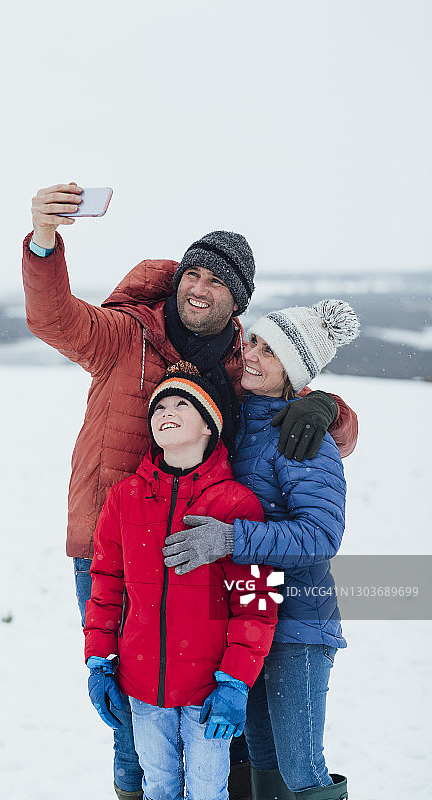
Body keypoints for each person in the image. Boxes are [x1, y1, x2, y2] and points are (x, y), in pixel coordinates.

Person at [22, 181, 358, 800]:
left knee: (221, 714)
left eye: (218, 282)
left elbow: (286, 393)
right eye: (193, 274)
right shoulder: (124, 334)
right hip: (117, 545)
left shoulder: (238, 358)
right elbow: (53, 317)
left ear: (238, 302)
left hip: (208, 548)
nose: (200, 289)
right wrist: (44, 241)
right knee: (135, 722)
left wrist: (329, 409)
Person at [162, 300, 360, 800]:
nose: (250, 354)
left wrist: (231, 539)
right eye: (253, 341)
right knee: (261, 753)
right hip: (247, 612)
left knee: (300, 763)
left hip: (297, 620)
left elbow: (321, 535)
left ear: (293, 369)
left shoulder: (305, 438)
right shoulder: (239, 422)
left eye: (270, 351)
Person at [83, 362, 280, 800]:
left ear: (210, 425)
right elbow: (106, 586)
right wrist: (99, 661)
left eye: (181, 404)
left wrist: (235, 680)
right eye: (159, 407)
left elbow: (256, 601)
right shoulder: (125, 498)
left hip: (209, 688)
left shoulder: (236, 504)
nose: (166, 412)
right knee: (158, 786)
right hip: (141, 685)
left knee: (208, 790)